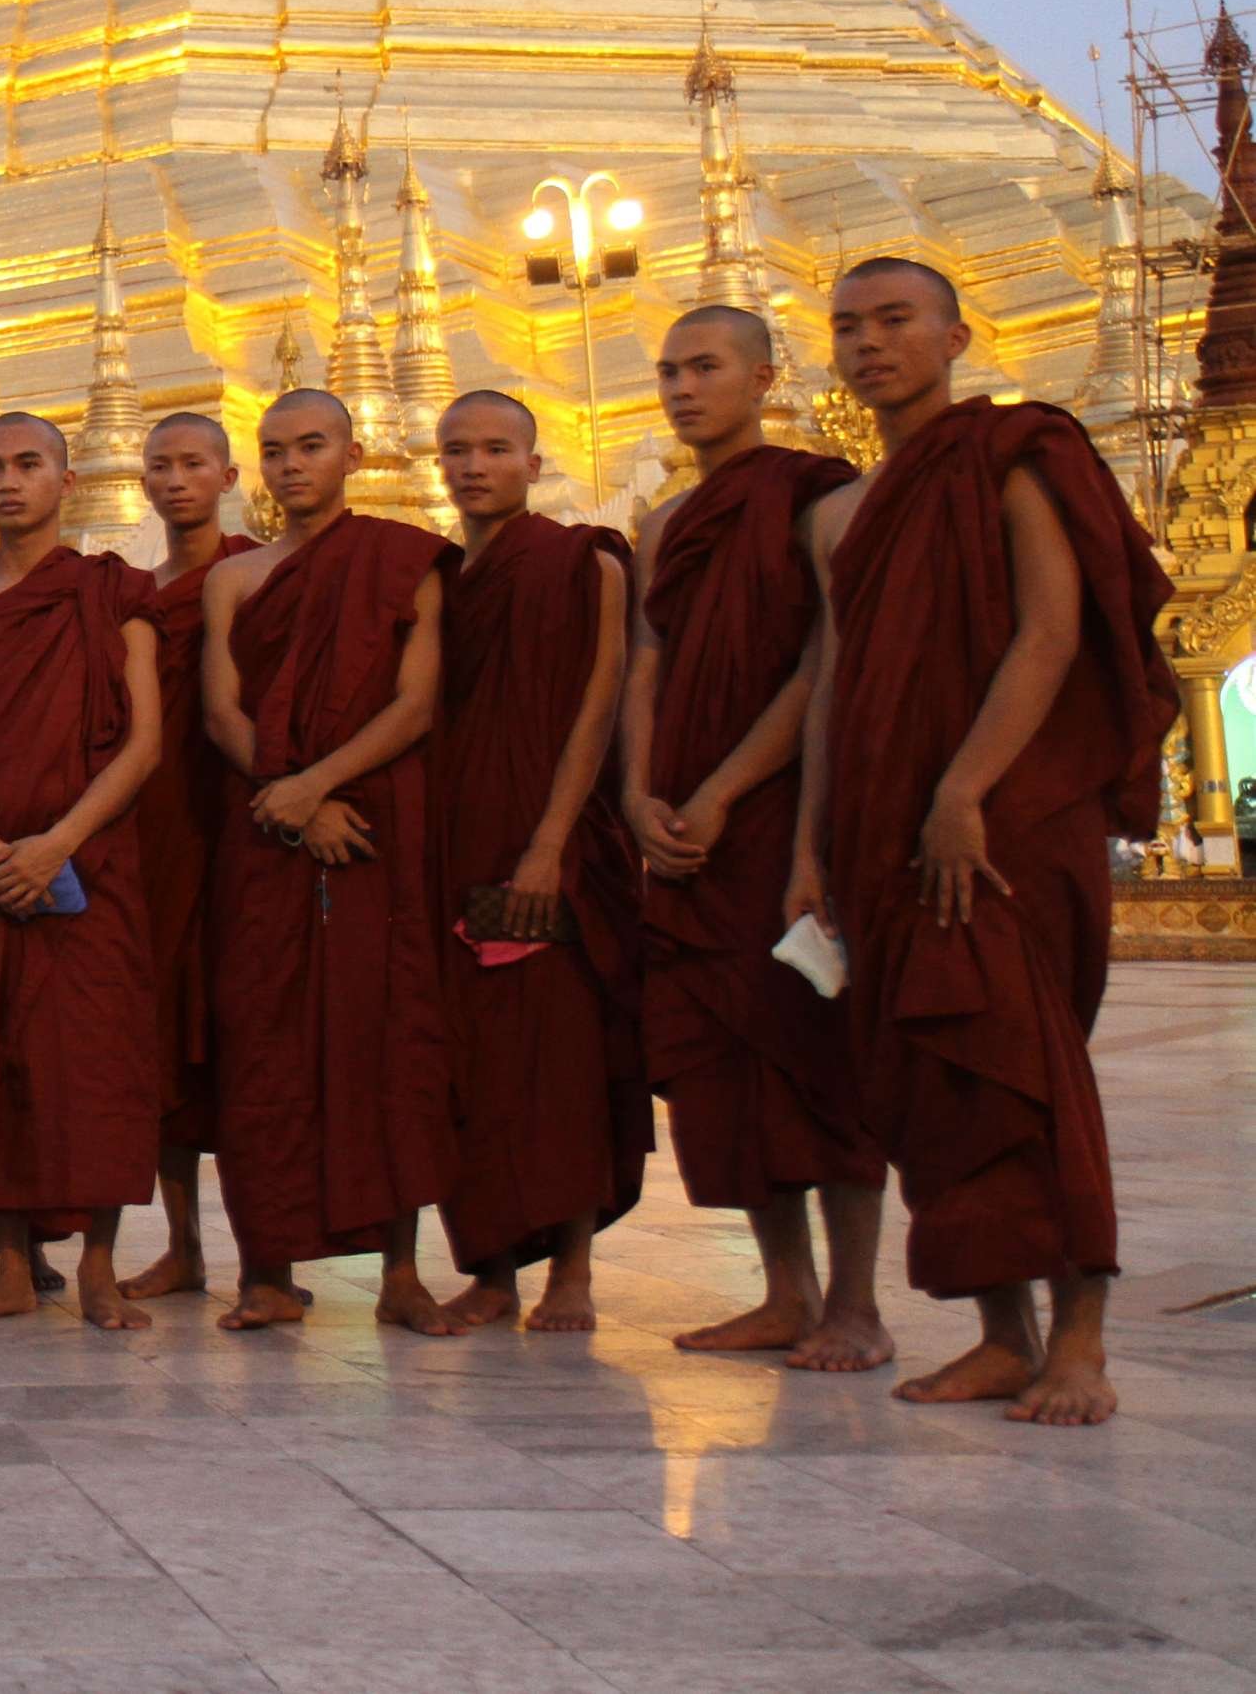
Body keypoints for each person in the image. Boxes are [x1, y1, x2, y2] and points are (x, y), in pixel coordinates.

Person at [794, 257, 1171, 1425]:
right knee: (928, 1081)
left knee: (1026, 1065)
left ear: (957, 335)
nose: (869, 345)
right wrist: (813, 846)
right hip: (882, 830)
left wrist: (962, 789)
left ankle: (1081, 1342)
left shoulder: (1014, 453)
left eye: (895, 321)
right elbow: (835, 683)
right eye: (848, 327)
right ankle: (1002, 1333)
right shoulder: (846, 512)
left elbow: (1051, 632)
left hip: (1002, 817)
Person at [623, 306, 886, 1368]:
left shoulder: (810, 496)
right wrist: (638, 792)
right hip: (681, 821)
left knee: (815, 1055)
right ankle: (786, 1290)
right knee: (722, 1065)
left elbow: (818, 665)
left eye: (706, 367)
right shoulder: (664, 522)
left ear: (764, 377)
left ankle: (857, 1305)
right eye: (669, 370)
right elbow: (646, 660)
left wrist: (727, 789)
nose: (684, 388)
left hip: (780, 819)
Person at [200, 388, 461, 1334]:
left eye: (312, 446)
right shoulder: (235, 579)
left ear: (352, 455)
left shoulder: (401, 560)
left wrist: (320, 784)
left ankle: (401, 1271)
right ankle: (265, 1270)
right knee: (262, 1039)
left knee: (388, 1037)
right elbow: (222, 711)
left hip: (376, 823)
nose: (291, 465)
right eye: (274, 450)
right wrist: (292, 797)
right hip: (270, 831)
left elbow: (416, 703)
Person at [0, 414, 168, 1327]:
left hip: (86, 865)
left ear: (67, 479)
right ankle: (11, 1266)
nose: (9, 482)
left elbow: (142, 742)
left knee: (96, 1063)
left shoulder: (111, 593)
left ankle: (97, 1266)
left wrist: (56, 842)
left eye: (29, 465)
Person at [428, 392, 648, 1333]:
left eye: (494, 449)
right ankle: (490, 1271)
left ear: (532, 459)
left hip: (551, 843)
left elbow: (600, 702)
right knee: (467, 1064)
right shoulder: (437, 577)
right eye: (457, 451)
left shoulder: (581, 560)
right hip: (454, 841)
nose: (474, 466)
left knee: (558, 1061)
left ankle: (572, 1271)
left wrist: (551, 845)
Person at [125, 411, 253, 1303]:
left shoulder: (260, 573)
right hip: (159, 826)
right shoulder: (138, 591)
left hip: (247, 817)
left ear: (228, 474)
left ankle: (267, 1250)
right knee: (166, 1035)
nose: (177, 481)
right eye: (161, 466)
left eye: (194, 464)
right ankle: (183, 1246)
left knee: (250, 1039)